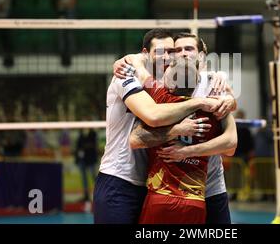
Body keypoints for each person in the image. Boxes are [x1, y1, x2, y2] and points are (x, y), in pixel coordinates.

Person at [92, 29, 222, 224]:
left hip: (149, 185)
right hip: (119, 178)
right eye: (161, 52)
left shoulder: (167, 86)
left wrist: (217, 79)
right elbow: (152, 116)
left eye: (172, 51)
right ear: (146, 54)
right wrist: (197, 104)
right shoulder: (126, 73)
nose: (168, 57)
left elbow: (192, 74)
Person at [131, 57, 237, 223]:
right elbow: (231, 144)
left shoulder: (161, 99)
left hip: (160, 198)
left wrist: (135, 59)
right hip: (195, 202)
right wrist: (229, 99)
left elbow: (140, 70)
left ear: (172, 85)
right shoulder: (213, 111)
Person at [75, 128, 98, 202]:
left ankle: (98, 194)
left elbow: (93, 145)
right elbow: (78, 147)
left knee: (94, 177)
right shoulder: (80, 133)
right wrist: (78, 159)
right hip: (82, 160)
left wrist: (84, 146)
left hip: (91, 159)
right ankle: (86, 195)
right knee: (84, 179)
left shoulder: (93, 133)